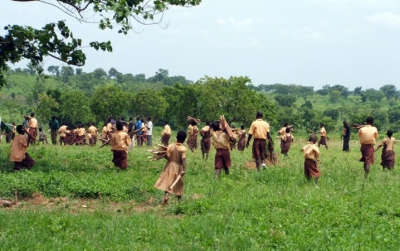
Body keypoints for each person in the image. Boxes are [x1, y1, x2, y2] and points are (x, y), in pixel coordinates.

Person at [154, 130, 187, 205]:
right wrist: (184, 169)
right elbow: (183, 160)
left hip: (169, 165)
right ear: (184, 139)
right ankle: (179, 202)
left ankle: (166, 195)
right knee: (179, 184)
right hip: (178, 167)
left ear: (176, 137)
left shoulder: (170, 146)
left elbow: (167, 157)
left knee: (168, 182)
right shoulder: (183, 149)